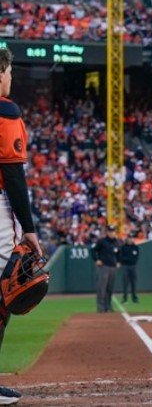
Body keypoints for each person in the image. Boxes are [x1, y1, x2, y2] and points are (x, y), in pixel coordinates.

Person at [0, 47, 43, 405]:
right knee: (4, 287)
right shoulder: (6, 110)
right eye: (10, 71)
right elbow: (13, 175)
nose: (10, 78)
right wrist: (28, 227)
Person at [92, 225, 121, 313]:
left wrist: (118, 261)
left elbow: (119, 253)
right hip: (104, 267)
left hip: (113, 267)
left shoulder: (116, 242)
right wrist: (96, 259)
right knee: (102, 287)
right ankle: (101, 307)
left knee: (110, 288)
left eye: (113, 231)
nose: (112, 233)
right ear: (107, 232)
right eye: (110, 231)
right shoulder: (102, 241)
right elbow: (93, 250)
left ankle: (108, 306)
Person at [120, 236, 140, 303]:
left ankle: (134, 298)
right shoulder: (123, 247)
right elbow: (121, 257)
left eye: (131, 238)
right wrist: (127, 259)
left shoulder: (135, 247)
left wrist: (129, 259)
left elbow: (136, 257)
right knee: (125, 283)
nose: (130, 240)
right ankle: (125, 298)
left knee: (133, 283)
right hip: (125, 266)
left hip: (133, 266)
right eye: (129, 238)